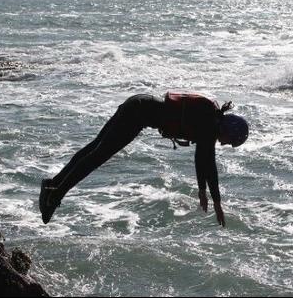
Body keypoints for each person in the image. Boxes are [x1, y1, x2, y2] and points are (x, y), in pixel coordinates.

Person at [40, 92, 249, 227]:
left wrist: (203, 192)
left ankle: (53, 185)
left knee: (94, 149)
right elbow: (207, 163)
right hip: (137, 113)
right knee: (96, 156)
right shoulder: (209, 125)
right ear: (229, 130)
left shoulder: (209, 120)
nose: (224, 144)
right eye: (229, 141)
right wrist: (217, 202)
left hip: (138, 105)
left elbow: (203, 160)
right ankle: (55, 194)